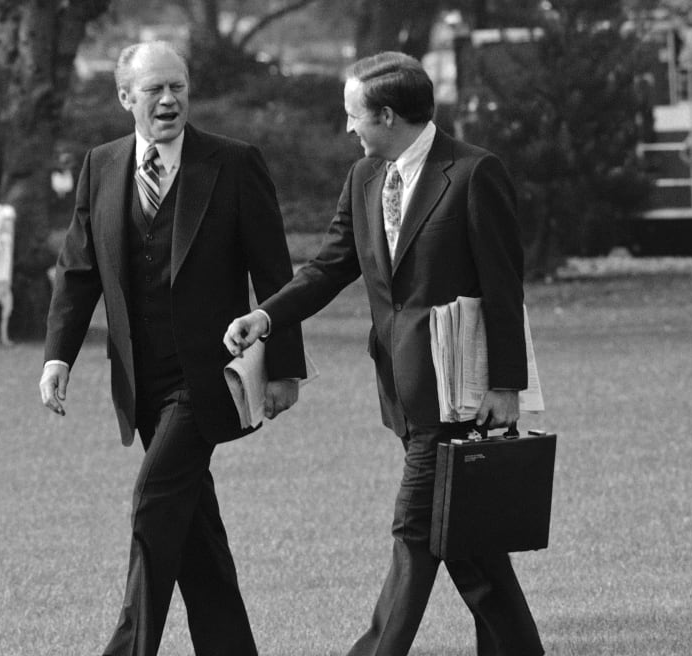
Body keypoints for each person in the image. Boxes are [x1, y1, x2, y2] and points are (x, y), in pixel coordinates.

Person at [224, 51, 545, 656]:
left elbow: (504, 286)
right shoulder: (365, 177)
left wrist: (506, 385)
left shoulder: (475, 173)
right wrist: (265, 315)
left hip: (458, 395)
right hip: (401, 389)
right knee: (467, 539)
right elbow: (330, 267)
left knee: (415, 528)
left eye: (354, 115)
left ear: (388, 115)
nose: (348, 128)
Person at [38, 41, 306, 656]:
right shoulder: (101, 164)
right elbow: (79, 271)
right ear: (125, 96)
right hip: (141, 380)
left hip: (208, 376)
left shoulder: (234, 163)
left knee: (153, 505)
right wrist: (59, 356)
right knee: (194, 534)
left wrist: (285, 367)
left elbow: (273, 270)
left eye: (178, 87)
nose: (169, 100)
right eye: (155, 89)